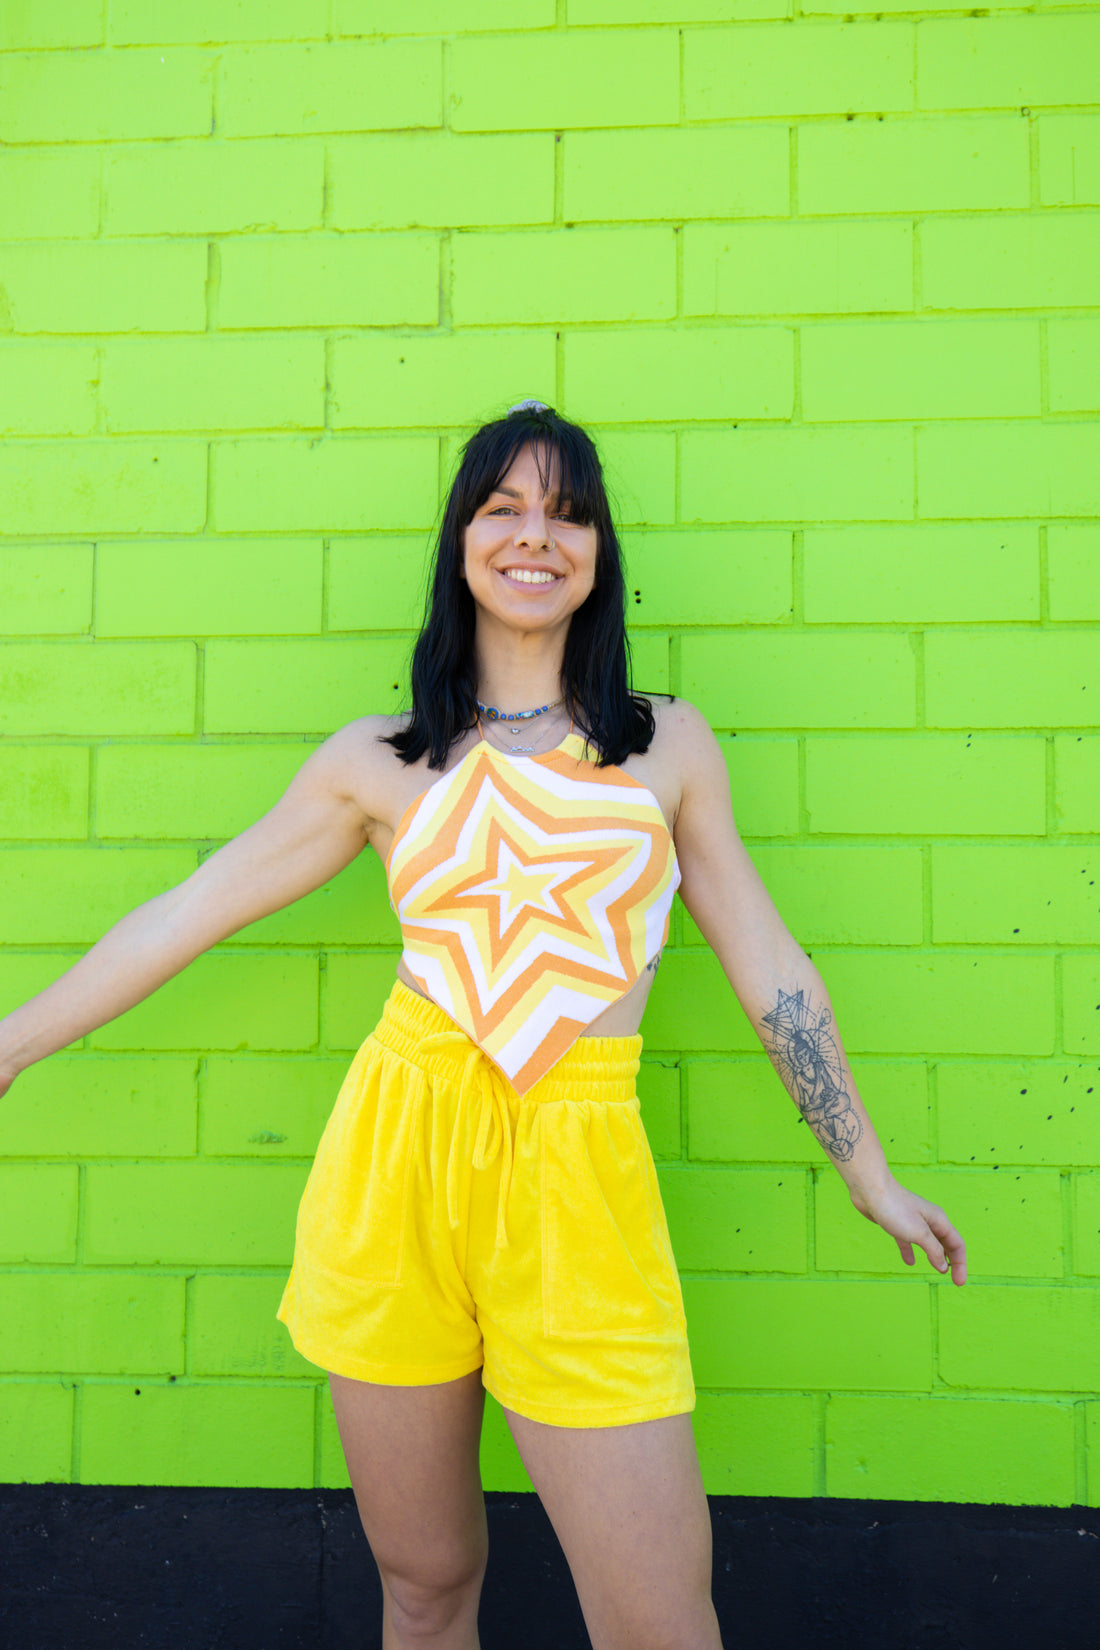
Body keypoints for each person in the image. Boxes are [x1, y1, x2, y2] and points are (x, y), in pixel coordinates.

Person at [0, 402, 966, 1650]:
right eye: (501, 507)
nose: (533, 535)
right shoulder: (378, 760)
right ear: (459, 540)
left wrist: (866, 1169)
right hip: (397, 1164)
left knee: (659, 1622)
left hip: (578, 1180)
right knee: (423, 1584)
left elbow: (769, 964)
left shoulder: (664, 747)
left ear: (598, 553)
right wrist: (12, 1041)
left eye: (566, 513)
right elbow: (186, 912)